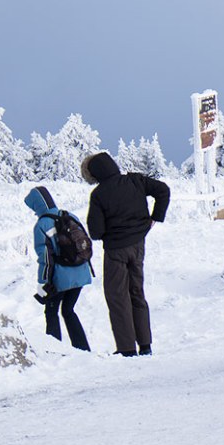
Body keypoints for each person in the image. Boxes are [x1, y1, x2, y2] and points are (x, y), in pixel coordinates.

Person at [81, 151, 169, 357]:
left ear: (94, 174)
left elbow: (95, 232)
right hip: (138, 244)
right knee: (137, 292)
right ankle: (145, 345)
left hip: (115, 251)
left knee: (117, 296)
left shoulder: (99, 195)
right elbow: (163, 190)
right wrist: (155, 217)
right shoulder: (135, 180)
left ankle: (127, 348)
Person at [25, 186, 92, 352]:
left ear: (36, 205)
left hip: (61, 278)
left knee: (51, 312)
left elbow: (45, 258)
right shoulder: (70, 215)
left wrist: (43, 283)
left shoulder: (42, 224)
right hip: (81, 272)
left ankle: (54, 351)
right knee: (69, 310)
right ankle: (82, 349)